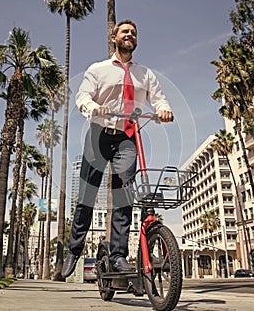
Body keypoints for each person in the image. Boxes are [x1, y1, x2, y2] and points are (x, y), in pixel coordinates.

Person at [62, 19, 173, 278]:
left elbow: (159, 99)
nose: (130, 35)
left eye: (133, 32)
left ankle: (118, 256)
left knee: (124, 197)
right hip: (99, 136)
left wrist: (162, 110)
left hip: (127, 139)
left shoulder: (145, 74)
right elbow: (83, 96)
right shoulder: (98, 69)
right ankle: (74, 249)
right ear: (114, 37)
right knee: (86, 198)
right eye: (125, 32)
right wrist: (93, 107)